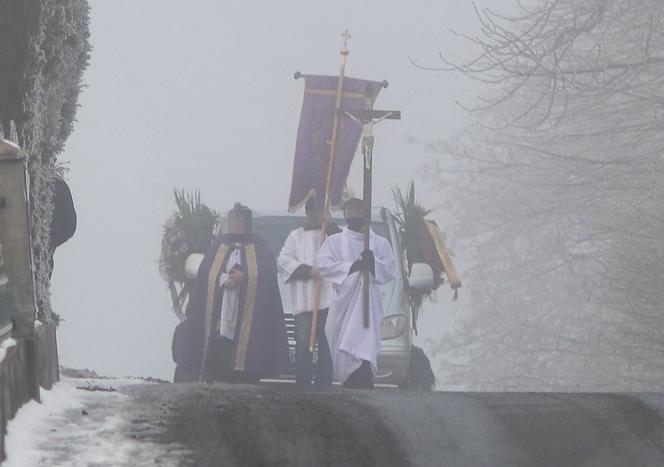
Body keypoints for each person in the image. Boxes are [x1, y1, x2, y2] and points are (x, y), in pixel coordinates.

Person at [174, 203, 290, 383]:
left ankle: (245, 375)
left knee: (244, 344)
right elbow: (207, 272)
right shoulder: (219, 245)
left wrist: (245, 277)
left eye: (241, 221)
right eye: (234, 221)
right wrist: (223, 280)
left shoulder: (259, 246)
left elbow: (267, 271)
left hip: (246, 312)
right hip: (223, 308)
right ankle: (218, 373)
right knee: (221, 342)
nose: (237, 225)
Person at [316, 198, 395, 389]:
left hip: (369, 301)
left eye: (358, 212)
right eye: (350, 213)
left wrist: (373, 264)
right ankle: (350, 377)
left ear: (365, 215)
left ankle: (364, 374)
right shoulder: (335, 241)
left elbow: (389, 271)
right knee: (343, 338)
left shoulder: (379, 243)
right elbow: (323, 265)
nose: (354, 217)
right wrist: (351, 266)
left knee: (364, 338)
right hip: (344, 301)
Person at [277, 198, 340, 387]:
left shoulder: (334, 235)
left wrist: (327, 269)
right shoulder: (296, 236)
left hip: (329, 298)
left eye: (321, 211)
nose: (317, 215)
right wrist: (308, 271)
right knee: (304, 343)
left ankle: (324, 383)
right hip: (305, 301)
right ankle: (303, 383)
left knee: (326, 344)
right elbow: (283, 260)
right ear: (308, 213)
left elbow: (344, 255)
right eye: (313, 211)